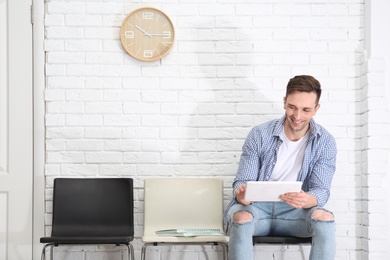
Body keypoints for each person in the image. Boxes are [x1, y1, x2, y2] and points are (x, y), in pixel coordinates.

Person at [224, 75, 337, 260]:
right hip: (256, 210)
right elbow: (242, 182)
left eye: (306, 110)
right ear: (284, 102)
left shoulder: (325, 142)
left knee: (324, 219)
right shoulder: (259, 134)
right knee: (241, 218)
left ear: (316, 109)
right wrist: (243, 196)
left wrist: (306, 199)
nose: (297, 116)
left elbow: (321, 191)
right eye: (292, 107)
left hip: (295, 213)